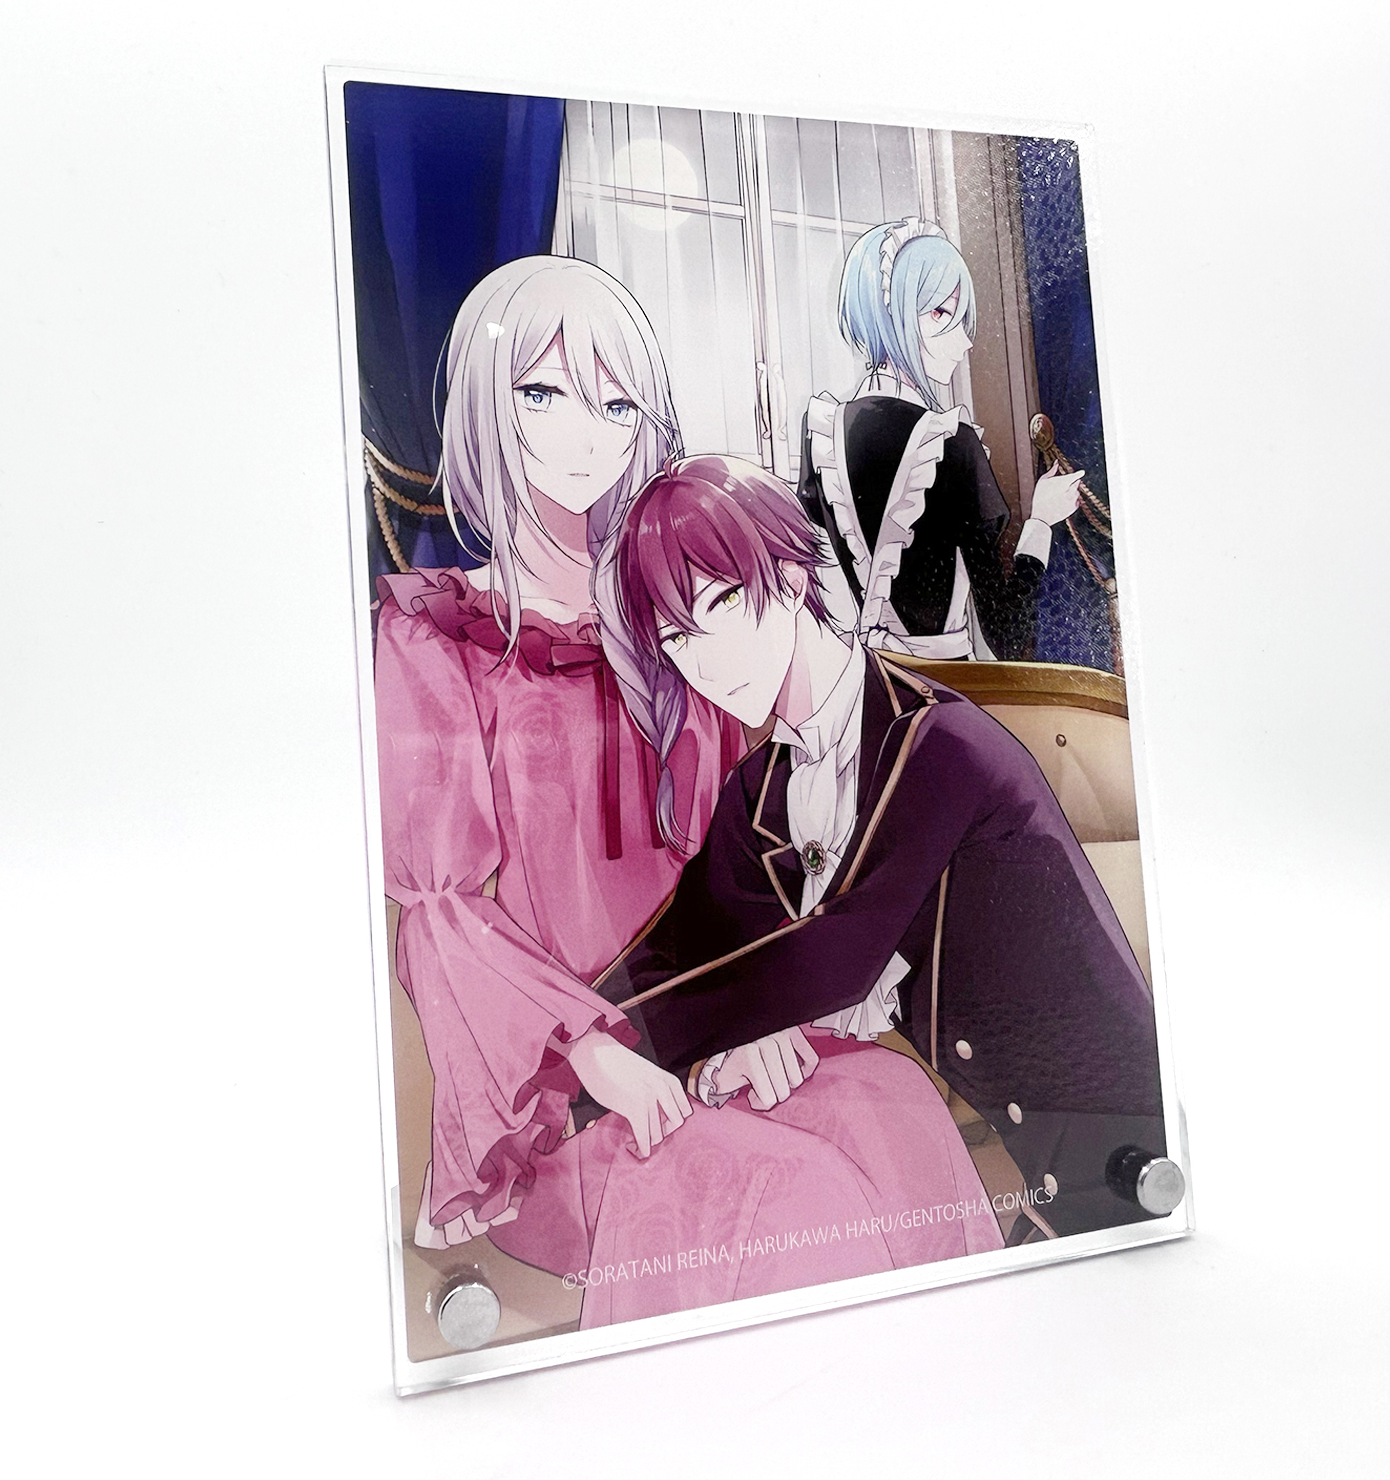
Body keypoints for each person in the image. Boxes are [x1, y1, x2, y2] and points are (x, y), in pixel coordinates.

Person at [375, 256, 1001, 1331]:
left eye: (617, 406)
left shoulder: (678, 629)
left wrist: (742, 1016)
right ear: (483, 403)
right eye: (543, 393)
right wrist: (603, 1056)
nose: (585, 435)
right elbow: (441, 916)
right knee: (785, 1194)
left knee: (893, 1109)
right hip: (570, 1097)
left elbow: (732, 859)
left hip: (711, 1037)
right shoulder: (435, 640)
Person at [598, 453, 1168, 1238]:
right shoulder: (761, 790)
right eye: (675, 639)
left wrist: (647, 1050)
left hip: (1131, 1149)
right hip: (1033, 1172)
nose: (706, 660)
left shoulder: (938, 742)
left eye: (721, 603)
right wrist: (580, 1043)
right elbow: (674, 949)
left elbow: (831, 962)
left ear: (788, 578)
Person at [798, 217, 1082, 661]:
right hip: (943, 686)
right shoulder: (951, 442)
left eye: (960, 317)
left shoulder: (821, 433)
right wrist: (1041, 521)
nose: (964, 341)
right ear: (890, 318)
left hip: (867, 684)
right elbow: (1006, 633)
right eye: (940, 314)